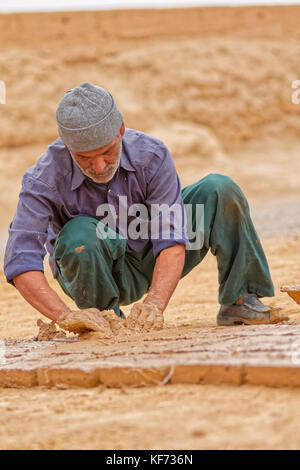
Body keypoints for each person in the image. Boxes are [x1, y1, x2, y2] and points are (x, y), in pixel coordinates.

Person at [4, 82, 280, 332]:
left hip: (152, 256)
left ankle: (240, 300)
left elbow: (171, 236)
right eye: (84, 158)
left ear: (121, 130)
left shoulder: (151, 155)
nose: (99, 167)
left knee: (220, 189)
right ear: (67, 146)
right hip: (93, 270)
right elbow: (20, 261)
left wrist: (155, 304)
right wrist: (65, 316)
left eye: (107, 151)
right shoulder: (44, 179)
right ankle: (104, 320)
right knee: (79, 236)